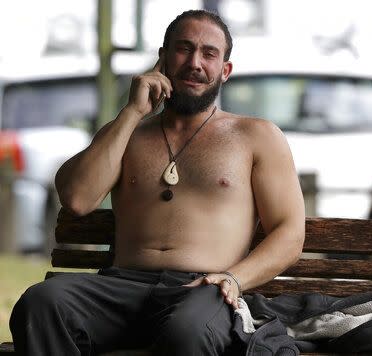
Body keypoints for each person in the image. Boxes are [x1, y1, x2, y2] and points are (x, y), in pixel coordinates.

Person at [9, 9, 305, 356]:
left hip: (203, 290)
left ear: (225, 71)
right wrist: (132, 112)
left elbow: (290, 233)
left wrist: (234, 279)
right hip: (120, 288)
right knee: (42, 303)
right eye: (183, 48)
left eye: (209, 53)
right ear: (162, 59)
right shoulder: (127, 133)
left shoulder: (256, 135)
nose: (195, 62)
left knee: (187, 332)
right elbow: (77, 198)